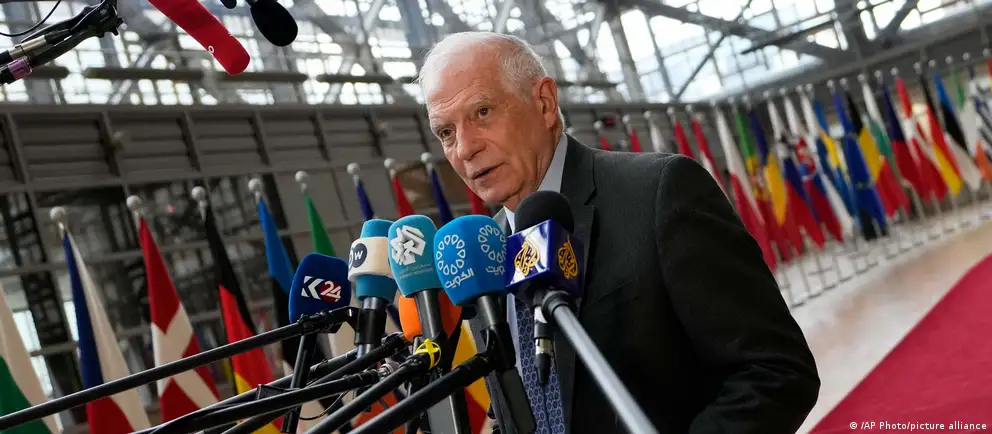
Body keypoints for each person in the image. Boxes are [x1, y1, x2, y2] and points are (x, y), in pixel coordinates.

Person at [417, 31, 820, 434]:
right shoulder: (483, 256)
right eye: (446, 132)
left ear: (544, 103)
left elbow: (776, 371)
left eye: (482, 112)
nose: (465, 148)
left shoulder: (659, 192)